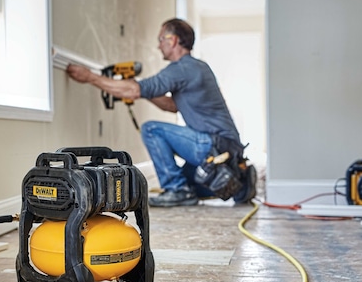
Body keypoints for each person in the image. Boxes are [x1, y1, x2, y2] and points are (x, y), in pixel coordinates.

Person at [66, 18, 256, 207]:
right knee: (195, 183)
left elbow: (133, 91)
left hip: (212, 145)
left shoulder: (180, 69)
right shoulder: (198, 67)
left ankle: (176, 190)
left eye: (160, 40)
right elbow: (172, 105)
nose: (158, 46)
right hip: (228, 148)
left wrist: (90, 77)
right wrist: (144, 91)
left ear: (172, 40)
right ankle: (241, 184)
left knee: (151, 129)